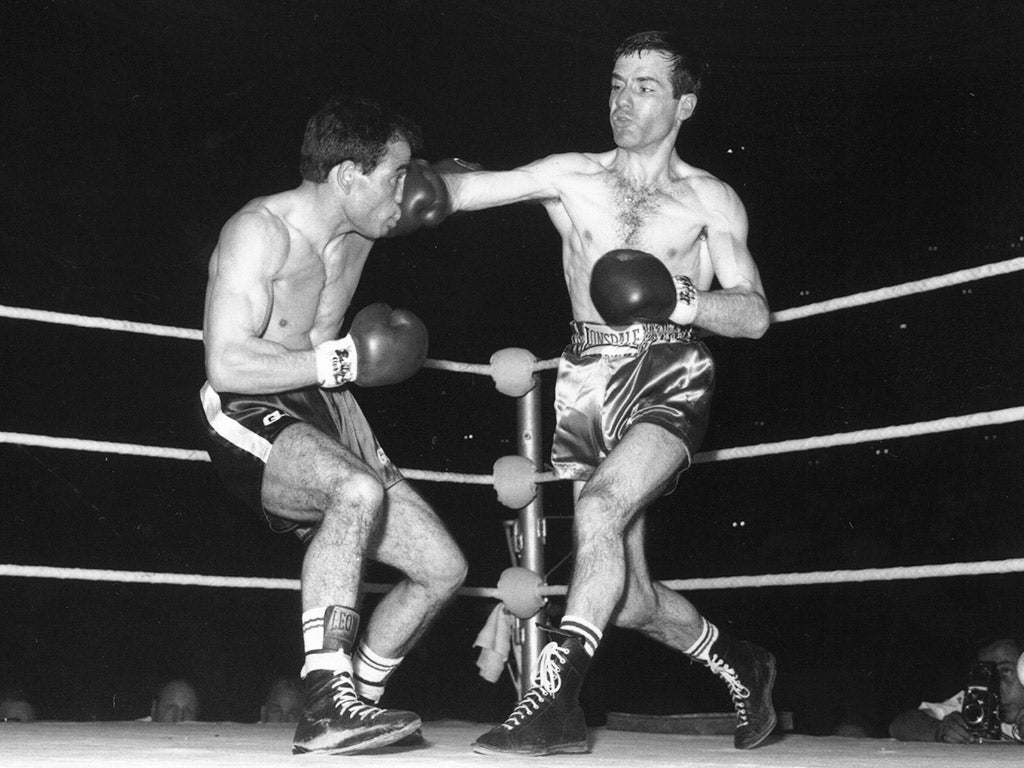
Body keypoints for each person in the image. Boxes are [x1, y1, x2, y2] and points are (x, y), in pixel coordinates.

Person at [405, 30, 775, 755]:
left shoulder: (708, 199)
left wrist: (680, 299)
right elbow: (472, 189)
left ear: (684, 104)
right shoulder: (572, 175)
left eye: (645, 87)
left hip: (669, 372)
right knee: (628, 597)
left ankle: (555, 705)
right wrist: (397, 188)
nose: (623, 100)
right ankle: (744, 663)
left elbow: (755, 314)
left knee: (601, 507)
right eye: (616, 83)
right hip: (585, 377)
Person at [198, 95, 468, 755]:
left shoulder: (365, 220)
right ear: (349, 175)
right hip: (251, 401)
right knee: (357, 492)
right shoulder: (260, 232)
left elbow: (460, 188)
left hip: (330, 404)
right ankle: (324, 701)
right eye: (396, 175)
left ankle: (359, 700)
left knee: (442, 568)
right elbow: (228, 362)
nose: (405, 191)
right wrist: (343, 358)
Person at [888, 636, 1024, 743]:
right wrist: (940, 730)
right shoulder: (977, 704)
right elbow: (900, 725)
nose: (996, 686)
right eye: (986, 676)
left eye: (1005, 671)